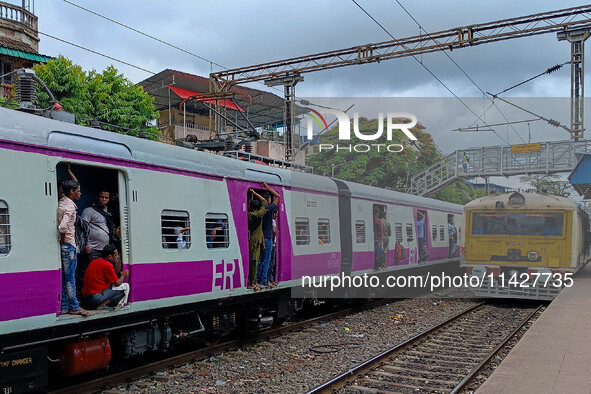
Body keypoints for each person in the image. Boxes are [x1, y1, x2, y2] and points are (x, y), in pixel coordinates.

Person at [58, 180, 91, 316]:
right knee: (70, 279)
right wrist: (63, 236)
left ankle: (65, 306)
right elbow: (62, 227)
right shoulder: (70, 208)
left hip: (64, 246)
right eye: (78, 190)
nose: (80, 193)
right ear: (71, 192)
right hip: (69, 245)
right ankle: (75, 307)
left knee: (65, 278)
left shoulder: (61, 202)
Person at [82, 244, 130, 309]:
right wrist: (123, 275)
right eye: (116, 255)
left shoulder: (95, 261)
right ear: (110, 257)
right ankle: (104, 304)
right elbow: (117, 283)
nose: (117, 257)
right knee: (124, 289)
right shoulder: (107, 265)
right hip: (96, 298)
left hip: (87, 297)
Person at [256, 181, 280, 289]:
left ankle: (257, 278)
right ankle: (263, 279)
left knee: (260, 259)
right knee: (266, 260)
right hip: (268, 237)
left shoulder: (260, 211)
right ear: (267, 200)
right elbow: (278, 196)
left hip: (260, 237)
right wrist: (267, 187)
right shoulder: (269, 210)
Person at [248, 189, 267, 290]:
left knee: (252, 261)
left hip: (252, 240)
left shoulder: (249, 215)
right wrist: (255, 193)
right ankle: (252, 282)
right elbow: (264, 202)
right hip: (255, 241)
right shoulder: (259, 215)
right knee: (254, 261)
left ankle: (252, 281)